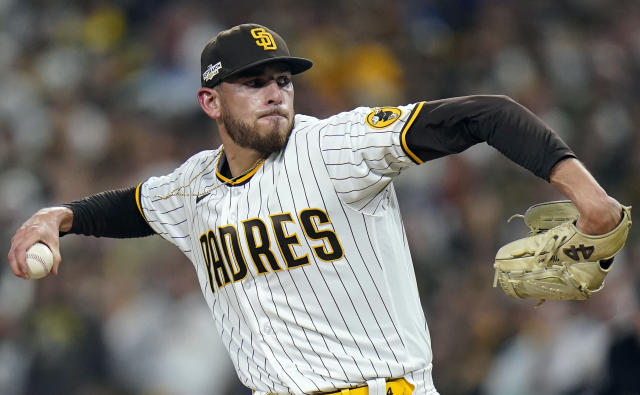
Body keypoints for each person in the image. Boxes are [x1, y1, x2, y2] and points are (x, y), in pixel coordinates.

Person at [8, 23, 623, 395]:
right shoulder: (193, 186)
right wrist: (57, 217)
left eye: (284, 79)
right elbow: (130, 208)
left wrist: (589, 200)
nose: (275, 92)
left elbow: (485, 114)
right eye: (254, 82)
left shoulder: (336, 145)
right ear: (210, 101)